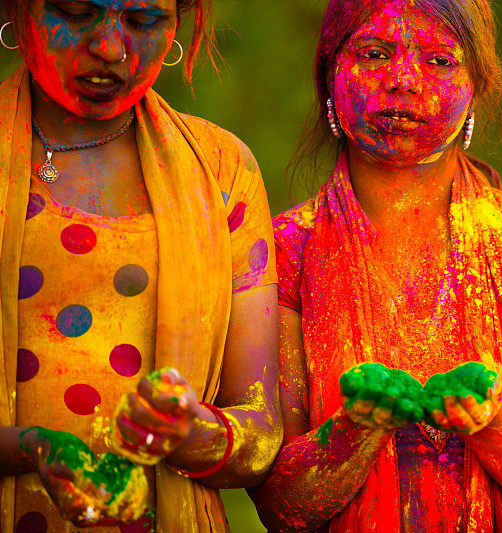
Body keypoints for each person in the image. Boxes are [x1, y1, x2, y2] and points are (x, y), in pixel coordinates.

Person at [248, 0, 502, 531]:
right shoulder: (282, 252)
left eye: (438, 61)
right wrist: (355, 428)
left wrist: (488, 420)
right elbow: (281, 507)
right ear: (328, 77)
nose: (404, 81)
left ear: (476, 85)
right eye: (374, 53)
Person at [0, 1, 283, 531]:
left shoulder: (221, 170)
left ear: (179, 24)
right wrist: (30, 448)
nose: (109, 48)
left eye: (142, 20)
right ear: (18, 12)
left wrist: (189, 432)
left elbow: (261, 436)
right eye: (77, 11)